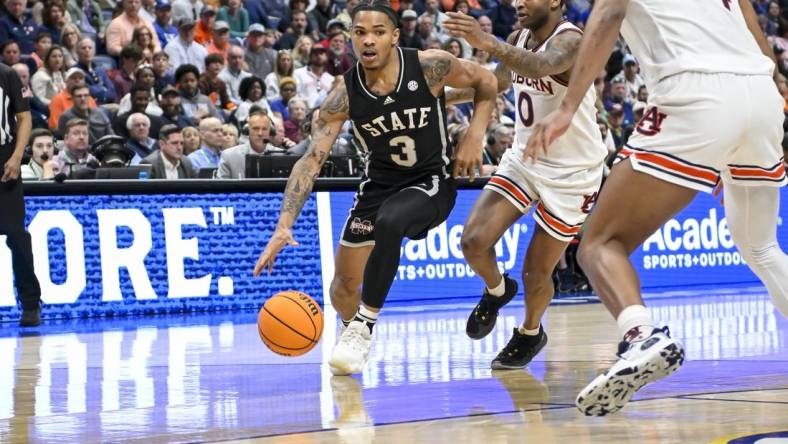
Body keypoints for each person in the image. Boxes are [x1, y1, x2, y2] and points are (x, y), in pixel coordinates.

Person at [526, 0, 788, 416]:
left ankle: (641, 337)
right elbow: (751, 28)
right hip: (761, 92)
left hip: (696, 92)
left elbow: (609, 15)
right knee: (760, 247)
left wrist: (567, 107)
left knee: (599, 243)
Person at [253, 0, 498, 375]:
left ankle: (365, 326)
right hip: (378, 187)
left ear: (395, 37)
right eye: (360, 32)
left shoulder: (429, 65)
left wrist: (474, 135)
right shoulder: (343, 96)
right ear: (350, 38)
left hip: (430, 181)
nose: (368, 41)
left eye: (378, 33)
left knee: (390, 221)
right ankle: (355, 341)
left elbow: (487, 81)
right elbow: (310, 161)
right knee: (342, 289)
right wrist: (284, 224)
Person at [443, 0, 607, 368]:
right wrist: (442, 97)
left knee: (535, 272)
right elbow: (499, 80)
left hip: (572, 173)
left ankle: (531, 332)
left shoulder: (571, 40)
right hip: (525, 158)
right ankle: (497, 291)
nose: (517, 2)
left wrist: (486, 41)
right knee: (472, 242)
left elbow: (543, 66)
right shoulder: (520, 37)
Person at [0, 64, 42, 326]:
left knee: (16, 234)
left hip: (4, 157)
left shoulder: (7, 74)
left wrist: (17, 157)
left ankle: (30, 302)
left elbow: (24, 118)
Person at [217, 113, 272, 178]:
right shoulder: (228, 156)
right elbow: (221, 186)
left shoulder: (281, 155)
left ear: (270, 132)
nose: (260, 133)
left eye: (264, 129)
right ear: (247, 131)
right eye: (255, 129)